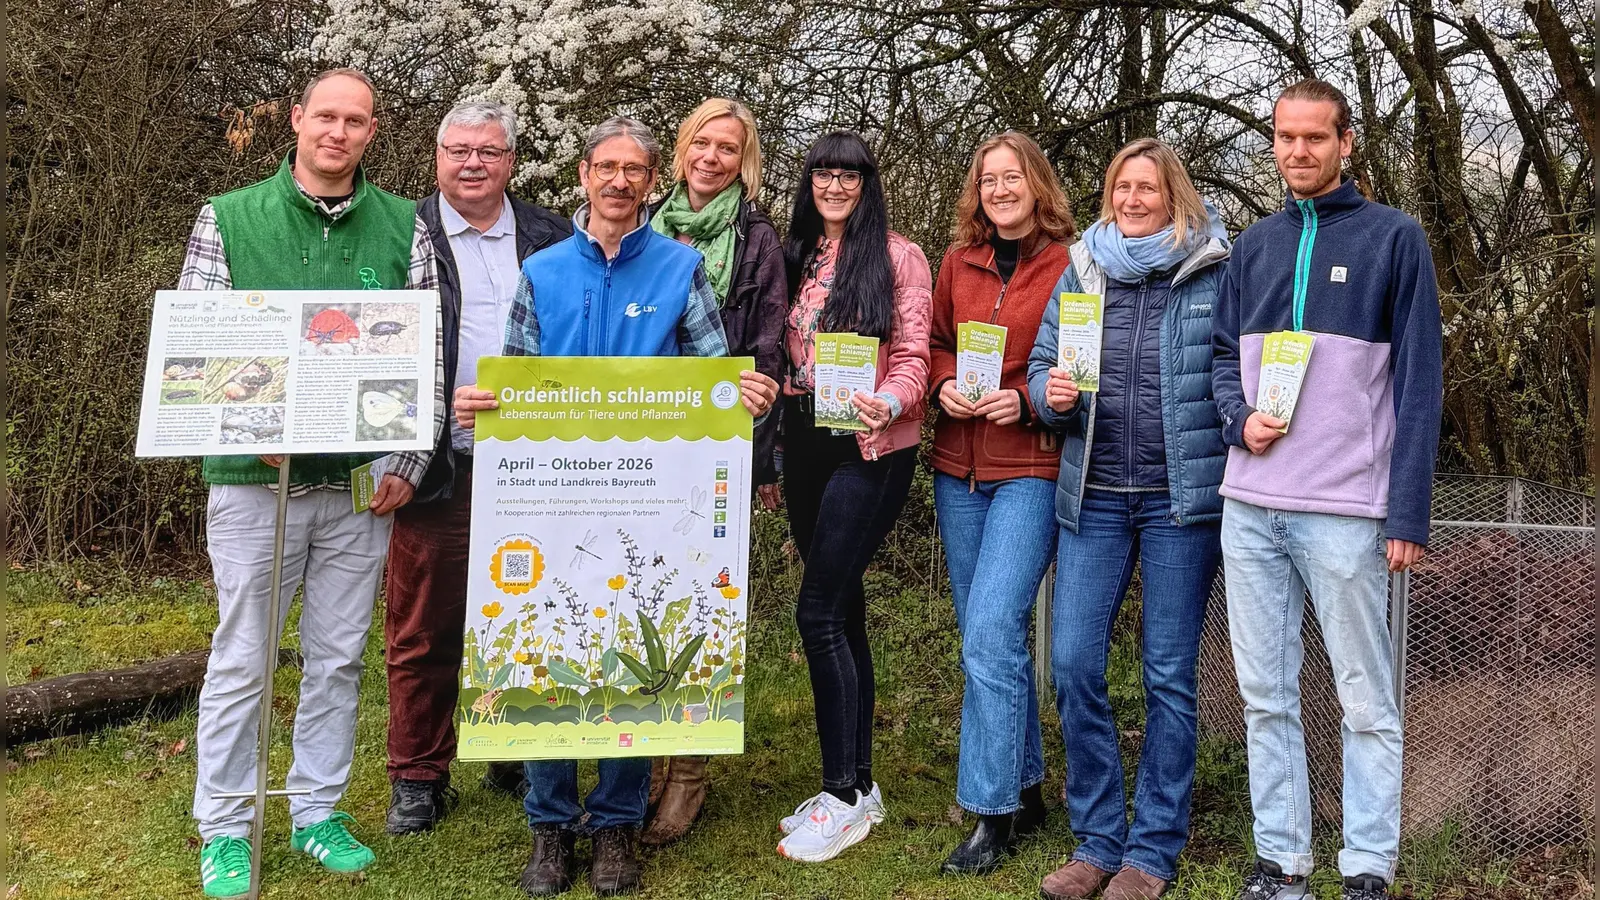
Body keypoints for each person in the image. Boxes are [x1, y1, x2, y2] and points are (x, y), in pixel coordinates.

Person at [451, 116, 778, 898]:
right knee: (542, 645)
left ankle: (617, 825)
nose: (622, 181)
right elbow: (515, 381)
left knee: (633, 646)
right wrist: (478, 417)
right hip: (551, 496)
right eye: (608, 167)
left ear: (649, 181)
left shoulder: (680, 268)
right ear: (583, 173)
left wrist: (747, 395)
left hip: (649, 498)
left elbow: (712, 381)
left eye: (636, 170)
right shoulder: (543, 271)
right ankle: (549, 824)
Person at [177, 68, 443, 899]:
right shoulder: (228, 217)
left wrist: (408, 463)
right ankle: (226, 827)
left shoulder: (406, 225)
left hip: (359, 488)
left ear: (372, 131)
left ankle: (317, 810)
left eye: (355, 120)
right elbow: (197, 346)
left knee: (337, 658)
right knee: (243, 658)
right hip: (254, 487)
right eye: (324, 115)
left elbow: (424, 357)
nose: (338, 131)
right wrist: (245, 427)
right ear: (296, 120)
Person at [1212, 79, 1441, 900]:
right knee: (1265, 697)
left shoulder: (1395, 239)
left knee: (1365, 699)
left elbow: (1419, 387)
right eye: (1284, 137)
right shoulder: (1252, 246)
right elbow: (1214, 363)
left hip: (1347, 513)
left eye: (1315, 137)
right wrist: (1240, 423)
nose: (1298, 151)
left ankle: (1368, 869)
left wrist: (1406, 511)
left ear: (1347, 143)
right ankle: (1282, 865)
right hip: (1251, 508)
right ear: (1272, 142)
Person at [1027, 138, 1231, 900]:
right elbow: (1047, 363)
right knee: (1075, 664)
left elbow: (1234, 372)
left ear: (1174, 194)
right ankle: (1097, 840)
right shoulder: (1084, 270)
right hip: (1097, 496)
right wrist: (1051, 394)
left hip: (1182, 506)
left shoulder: (1214, 269)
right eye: (1122, 187)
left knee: (1169, 675)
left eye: (1148, 187)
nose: (1133, 200)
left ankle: (1150, 852)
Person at [382, 101, 571, 835]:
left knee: (531, 616)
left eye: (488, 152)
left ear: (511, 162)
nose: (471, 164)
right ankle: (419, 775)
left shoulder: (552, 233)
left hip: (537, 466)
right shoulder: (406, 232)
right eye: (457, 150)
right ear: (436, 156)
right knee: (424, 628)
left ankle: (512, 747)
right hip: (439, 466)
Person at [773, 131, 932, 864]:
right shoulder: (797, 252)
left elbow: (914, 355)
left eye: (849, 175)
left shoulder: (899, 256)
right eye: (823, 174)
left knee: (818, 610)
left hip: (868, 446)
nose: (834, 186)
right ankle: (860, 784)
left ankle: (840, 795)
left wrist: (892, 401)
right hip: (805, 437)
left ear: (868, 184)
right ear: (809, 182)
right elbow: (778, 350)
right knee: (845, 608)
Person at [639, 97, 787, 846]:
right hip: (637, 439)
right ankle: (645, 758)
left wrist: (759, 448)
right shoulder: (644, 220)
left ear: (744, 160)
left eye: (729, 148)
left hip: (712, 445)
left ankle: (688, 771)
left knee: (697, 603)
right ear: (682, 146)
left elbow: (765, 349)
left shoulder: (756, 239)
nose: (712, 157)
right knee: (636, 592)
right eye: (703, 141)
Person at [925, 131, 1074, 875]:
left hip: (1029, 470)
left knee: (989, 631)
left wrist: (1027, 401)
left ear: (1037, 185)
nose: (1001, 190)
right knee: (988, 638)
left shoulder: (1073, 264)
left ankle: (991, 812)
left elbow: (1079, 369)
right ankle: (1027, 783)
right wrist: (941, 382)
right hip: (958, 468)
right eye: (989, 180)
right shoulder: (958, 261)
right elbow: (937, 343)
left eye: (1013, 178)